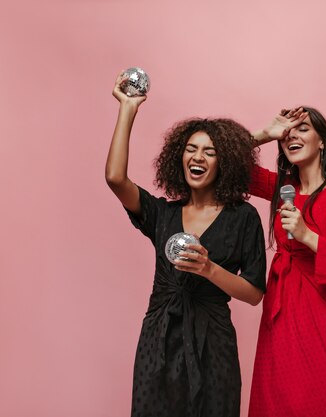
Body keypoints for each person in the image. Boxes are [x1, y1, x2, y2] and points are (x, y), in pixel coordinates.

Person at [105, 71, 266, 417]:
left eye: (210, 152)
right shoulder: (162, 214)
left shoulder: (244, 217)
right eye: (191, 149)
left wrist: (208, 269)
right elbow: (115, 178)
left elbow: (254, 293)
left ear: (225, 163)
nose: (198, 157)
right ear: (178, 158)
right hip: (158, 339)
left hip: (214, 342)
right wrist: (128, 109)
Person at [247, 107, 326, 417]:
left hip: (321, 311)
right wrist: (266, 133)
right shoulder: (282, 187)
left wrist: (308, 236)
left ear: (322, 142)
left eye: (303, 128)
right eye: (288, 133)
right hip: (279, 311)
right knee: (277, 403)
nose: (292, 135)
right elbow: (226, 163)